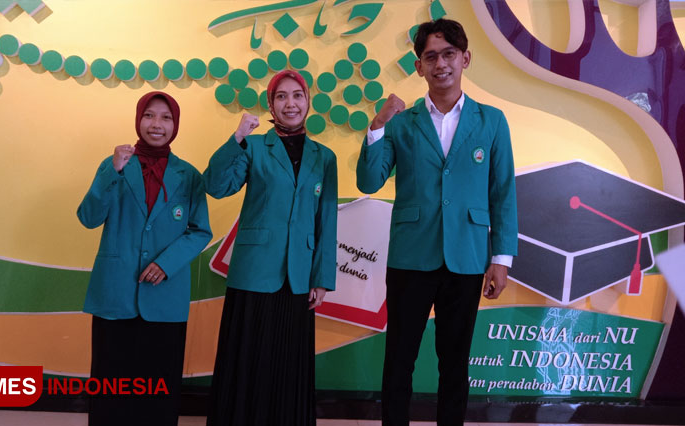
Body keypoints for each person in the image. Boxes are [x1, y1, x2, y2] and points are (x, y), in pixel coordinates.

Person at [356, 19, 518, 426]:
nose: (441, 63)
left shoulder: (492, 120)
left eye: (449, 54)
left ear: (465, 58)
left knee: (454, 363)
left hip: (466, 256)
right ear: (418, 66)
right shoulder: (401, 120)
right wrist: (377, 126)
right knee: (399, 360)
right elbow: (368, 180)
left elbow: (502, 191)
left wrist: (501, 258)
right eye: (431, 56)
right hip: (411, 256)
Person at [203, 69, 338, 426]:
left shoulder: (324, 157)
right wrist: (236, 138)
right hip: (254, 270)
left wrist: (322, 277)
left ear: (308, 101)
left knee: (288, 360)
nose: (290, 104)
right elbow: (216, 186)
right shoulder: (254, 146)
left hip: (299, 274)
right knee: (248, 356)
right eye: (281, 97)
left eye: (297, 95)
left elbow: (326, 220)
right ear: (270, 104)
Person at [77, 91, 212, 426]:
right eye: (149, 115)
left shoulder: (189, 175)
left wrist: (166, 264)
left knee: (159, 384)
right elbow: (88, 217)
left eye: (166, 118)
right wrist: (112, 171)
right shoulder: (114, 165)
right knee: (111, 381)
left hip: (165, 296)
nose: (157, 124)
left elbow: (200, 231)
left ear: (175, 125)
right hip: (116, 291)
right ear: (138, 120)